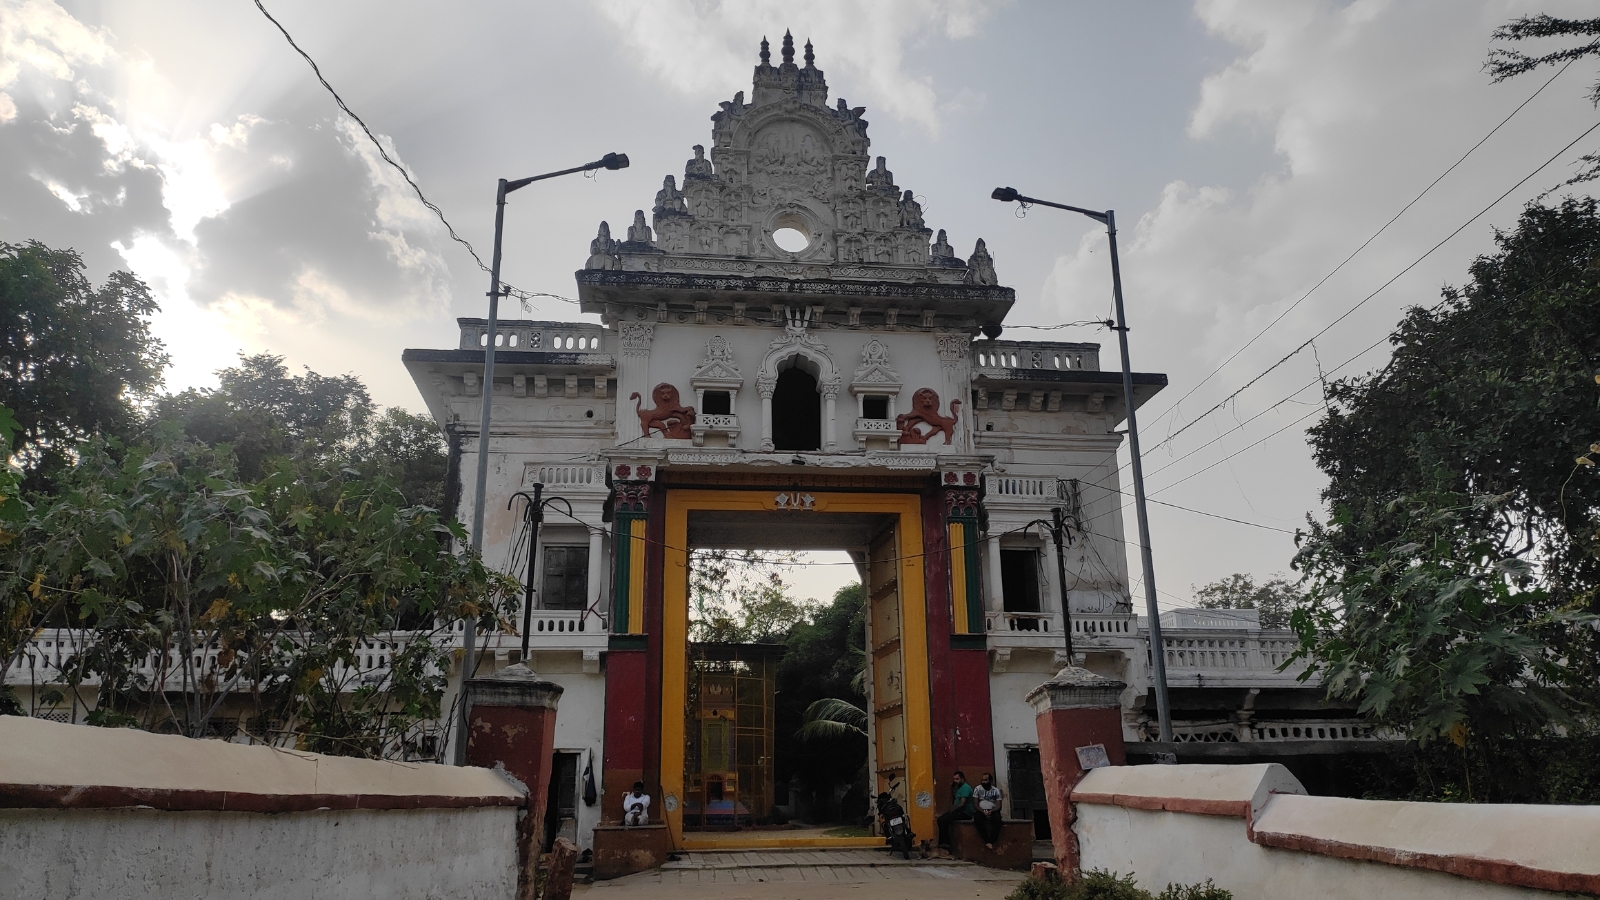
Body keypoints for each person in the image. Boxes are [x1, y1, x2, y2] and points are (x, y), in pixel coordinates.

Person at [935, 770, 973, 848]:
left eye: (957, 779)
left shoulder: (966, 788)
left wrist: (952, 811)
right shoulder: (958, 789)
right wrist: (952, 790)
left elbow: (962, 803)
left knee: (943, 820)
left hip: (964, 812)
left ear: (963, 778)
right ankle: (942, 842)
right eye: (954, 779)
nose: (955, 781)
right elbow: (954, 800)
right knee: (940, 820)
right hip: (958, 811)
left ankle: (945, 843)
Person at [972, 773, 1004, 849]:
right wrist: (983, 811)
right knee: (978, 819)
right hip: (981, 810)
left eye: (985, 780)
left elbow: (999, 806)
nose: (983, 782)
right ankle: (986, 840)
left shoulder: (996, 790)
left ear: (990, 781)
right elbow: (976, 804)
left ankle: (991, 841)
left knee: (997, 820)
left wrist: (991, 811)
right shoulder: (977, 789)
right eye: (982, 780)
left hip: (993, 810)